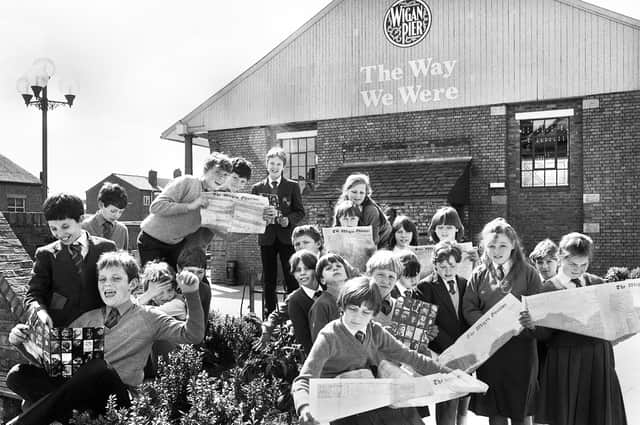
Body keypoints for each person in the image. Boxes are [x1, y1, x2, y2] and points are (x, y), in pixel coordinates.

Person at [7, 251, 204, 424]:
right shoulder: (88, 318)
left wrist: (191, 294)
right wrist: (21, 342)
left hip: (117, 397)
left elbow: (193, 334)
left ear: (133, 284)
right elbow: (55, 363)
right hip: (80, 393)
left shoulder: (150, 317)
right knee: (18, 374)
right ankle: (68, 416)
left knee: (97, 366)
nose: (107, 284)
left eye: (116, 278)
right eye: (102, 279)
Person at [292, 276, 451, 425]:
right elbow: (303, 380)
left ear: (374, 314)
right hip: (343, 407)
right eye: (353, 309)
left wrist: (448, 374)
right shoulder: (329, 337)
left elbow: (409, 357)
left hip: (371, 397)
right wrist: (305, 408)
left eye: (366, 312)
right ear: (342, 306)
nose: (357, 318)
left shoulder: (375, 331)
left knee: (407, 413)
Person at [520, 233, 628, 425]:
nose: (578, 270)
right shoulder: (548, 289)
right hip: (566, 360)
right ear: (561, 257)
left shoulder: (597, 283)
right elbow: (543, 335)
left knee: (599, 415)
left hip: (598, 358)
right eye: (573, 265)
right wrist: (531, 325)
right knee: (567, 416)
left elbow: (613, 323)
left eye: (584, 265)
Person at [462, 218, 543, 425]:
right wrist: (487, 324)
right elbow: (469, 307)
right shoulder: (479, 274)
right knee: (495, 411)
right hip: (491, 352)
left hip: (521, 352)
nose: (496, 251)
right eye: (491, 246)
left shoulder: (529, 273)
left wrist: (529, 320)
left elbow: (539, 310)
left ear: (513, 245)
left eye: (503, 246)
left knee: (521, 410)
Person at [24, 193, 117, 328]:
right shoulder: (45, 255)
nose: (60, 234)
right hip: (62, 329)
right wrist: (40, 312)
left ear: (81, 219)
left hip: (100, 328)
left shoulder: (107, 247)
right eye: (53, 228)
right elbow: (33, 295)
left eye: (65, 226)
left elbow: (119, 286)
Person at [137, 151, 233, 270]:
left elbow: (221, 227)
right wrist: (190, 206)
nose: (221, 177)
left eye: (225, 175)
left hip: (176, 244)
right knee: (155, 281)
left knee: (175, 284)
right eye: (217, 172)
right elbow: (156, 206)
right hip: (152, 240)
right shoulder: (188, 182)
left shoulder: (215, 198)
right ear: (206, 170)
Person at [413, 241, 470, 425]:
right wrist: (449, 347)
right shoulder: (425, 287)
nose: (447, 271)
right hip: (442, 353)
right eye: (442, 267)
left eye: (452, 266)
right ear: (435, 264)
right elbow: (425, 324)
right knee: (447, 404)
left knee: (463, 403)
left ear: (458, 264)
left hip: (465, 351)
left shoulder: (464, 283)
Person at [251, 147, 306, 315]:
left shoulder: (292, 186)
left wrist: (288, 220)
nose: (275, 167)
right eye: (272, 163)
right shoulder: (257, 188)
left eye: (278, 164)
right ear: (267, 164)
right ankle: (270, 314)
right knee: (269, 278)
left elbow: (300, 211)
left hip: (286, 238)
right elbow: (252, 214)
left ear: (283, 166)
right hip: (266, 238)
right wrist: (262, 217)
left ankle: (292, 313)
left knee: (291, 277)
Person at [254, 250, 321, 354]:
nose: (302, 273)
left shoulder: (329, 290)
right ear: (293, 274)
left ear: (316, 270)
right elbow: (275, 315)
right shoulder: (295, 299)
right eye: (298, 270)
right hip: (311, 351)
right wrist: (267, 330)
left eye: (307, 269)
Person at [335, 173, 392, 248]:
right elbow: (336, 230)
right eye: (354, 192)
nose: (357, 196)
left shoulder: (371, 211)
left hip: (382, 244)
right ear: (347, 191)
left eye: (361, 193)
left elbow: (374, 241)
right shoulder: (342, 208)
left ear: (366, 194)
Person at [309, 253, 351, 341]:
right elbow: (319, 341)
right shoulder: (321, 305)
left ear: (346, 273)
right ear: (322, 280)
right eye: (328, 268)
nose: (335, 268)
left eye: (339, 266)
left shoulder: (354, 299)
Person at [82, 182, 129, 250]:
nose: (117, 216)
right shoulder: (85, 227)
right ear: (101, 205)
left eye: (121, 212)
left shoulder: (122, 230)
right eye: (113, 211)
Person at [365, 250, 404, 326]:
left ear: (397, 280)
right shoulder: (359, 305)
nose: (386, 281)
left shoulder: (402, 308)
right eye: (380, 275)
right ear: (369, 274)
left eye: (391, 277)